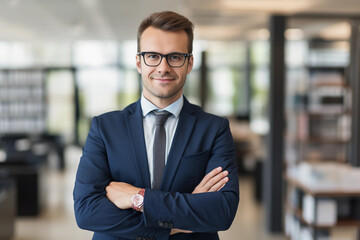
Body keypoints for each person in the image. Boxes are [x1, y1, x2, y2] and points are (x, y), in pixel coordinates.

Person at [73, 10, 239, 240]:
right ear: (139, 62)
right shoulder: (104, 128)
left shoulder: (214, 130)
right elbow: (87, 212)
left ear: (189, 63)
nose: (163, 68)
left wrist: (137, 197)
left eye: (175, 57)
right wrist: (174, 223)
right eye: (152, 56)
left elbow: (222, 211)